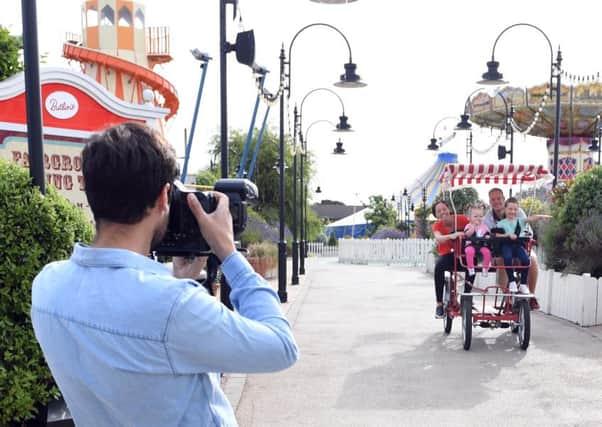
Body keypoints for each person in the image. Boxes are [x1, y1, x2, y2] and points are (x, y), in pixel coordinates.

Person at [31, 123, 298, 427]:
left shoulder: (47, 286)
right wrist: (229, 253)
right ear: (163, 197)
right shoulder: (175, 306)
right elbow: (281, 347)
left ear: (91, 191)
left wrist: (178, 281)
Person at [484, 187, 541, 309]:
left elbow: (528, 232)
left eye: (499, 198)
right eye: (493, 199)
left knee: (532, 260)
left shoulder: (517, 211)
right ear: (490, 202)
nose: (496, 201)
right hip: (500, 251)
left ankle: (531, 295)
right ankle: (508, 300)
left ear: (504, 199)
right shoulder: (488, 217)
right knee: (502, 260)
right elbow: (488, 235)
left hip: (520, 246)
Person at [494, 197, 551, 294]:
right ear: (505, 209)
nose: (512, 211)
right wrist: (508, 235)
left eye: (515, 209)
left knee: (526, 260)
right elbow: (496, 235)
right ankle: (511, 281)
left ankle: (523, 284)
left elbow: (531, 218)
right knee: (507, 258)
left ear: (518, 210)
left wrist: (541, 216)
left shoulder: (520, 221)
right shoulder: (501, 223)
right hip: (506, 245)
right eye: (510, 209)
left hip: (517, 245)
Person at [431, 200, 469, 318]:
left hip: (462, 254)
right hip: (448, 255)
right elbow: (439, 238)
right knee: (439, 267)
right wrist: (451, 236)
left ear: (449, 209)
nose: (442, 212)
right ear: (436, 215)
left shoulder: (461, 219)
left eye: (444, 209)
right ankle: (439, 304)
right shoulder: (437, 225)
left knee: (472, 266)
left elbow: (473, 226)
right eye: (439, 211)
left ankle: (467, 297)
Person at [463, 203, 492, 287]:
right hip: (471, 244)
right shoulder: (469, 225)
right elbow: (467, 234)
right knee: (469, 251)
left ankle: (485, 268)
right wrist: (473, 227)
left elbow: (488, 234)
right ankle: (471, 268)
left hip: (481, 245)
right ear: (470, 218)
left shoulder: (484, 226)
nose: (478, 218)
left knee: (487, 252)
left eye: (480, 216)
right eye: (475, 216)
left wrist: (487, 236)